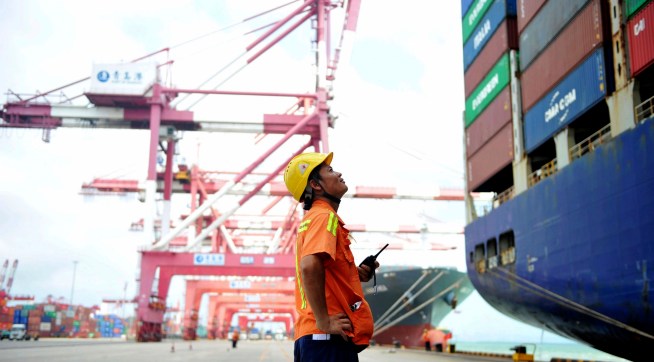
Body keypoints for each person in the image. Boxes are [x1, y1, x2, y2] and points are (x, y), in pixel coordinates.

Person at [283, 152, 380, 362]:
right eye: (330, 171)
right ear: (316, 185)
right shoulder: (324, 216)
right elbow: (309, 266)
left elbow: (322, 270)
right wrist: (324, 321)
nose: (339, 173)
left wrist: (356, 274)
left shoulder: (314, 219)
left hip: (315, 338)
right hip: (326, 337)